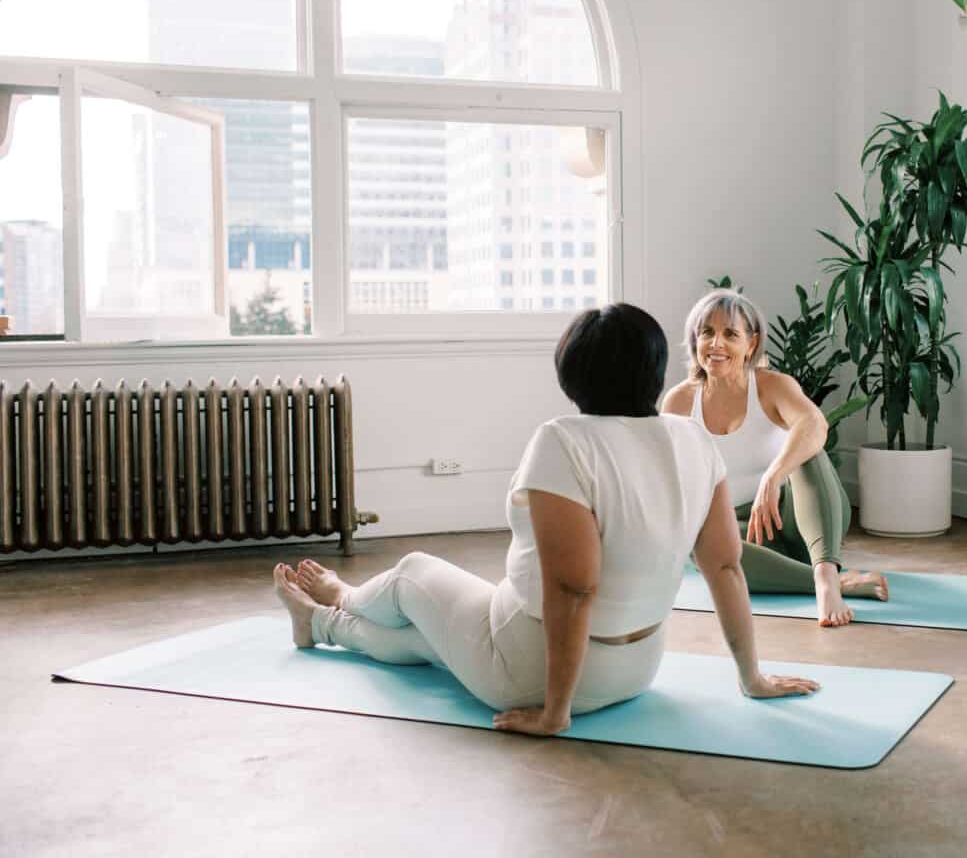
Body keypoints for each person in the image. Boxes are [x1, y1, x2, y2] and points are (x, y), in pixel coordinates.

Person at [272, 302, 818, 735]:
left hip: (536, 668)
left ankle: (339, 597)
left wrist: (555, 712)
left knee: (413, 571)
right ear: (654, 370)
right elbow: (725, 568)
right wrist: (752, 678)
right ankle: (318, 625)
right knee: (425, 642)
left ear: (572, 372)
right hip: (638, 669)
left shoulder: (563, 439)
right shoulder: (692, 438)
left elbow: (574, 587)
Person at [661, 289, 889, 628]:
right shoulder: (678, 403)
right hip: (747, 532)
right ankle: (838, 582)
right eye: (706, 332)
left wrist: (773, 477)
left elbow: (814, 424)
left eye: (730, 334)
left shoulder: (772, 386)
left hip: (801, 517)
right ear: (694, 340)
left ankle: (826, 576)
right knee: (702, 547)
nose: (716, 344)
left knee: (807, 451)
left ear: (751, 344)